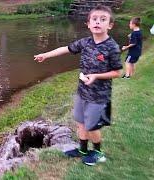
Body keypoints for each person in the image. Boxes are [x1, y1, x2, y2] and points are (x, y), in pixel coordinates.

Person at [34, 5, 122, 166]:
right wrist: (45, 55)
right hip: (82, 92)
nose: (98, 22)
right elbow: (65, 49)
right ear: (88, 24)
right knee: (80, 122)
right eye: (94, 19)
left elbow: (117, 72)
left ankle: (97, 152)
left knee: (92, 126)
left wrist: (96, 76)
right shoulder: (85, 42)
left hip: (99, 96)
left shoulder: (112, 47)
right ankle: (82, 149)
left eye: (103, 19)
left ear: (110, 25)